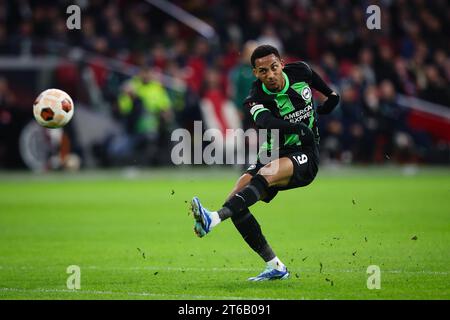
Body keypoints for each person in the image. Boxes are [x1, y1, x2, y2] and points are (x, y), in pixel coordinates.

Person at [190, 45, 340, 281]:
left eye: (273, 68)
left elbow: (315, 79)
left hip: (304, 154)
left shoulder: (300, 71)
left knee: (265, 175)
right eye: (263, 71)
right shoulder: (254, 97)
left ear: (281, 63)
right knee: (235, 204)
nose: (270, 75)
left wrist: (332, 96)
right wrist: (298, 127)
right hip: (270, 154)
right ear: (255, 73)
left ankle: (213, 219)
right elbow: (266, 121)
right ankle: (276, 267)